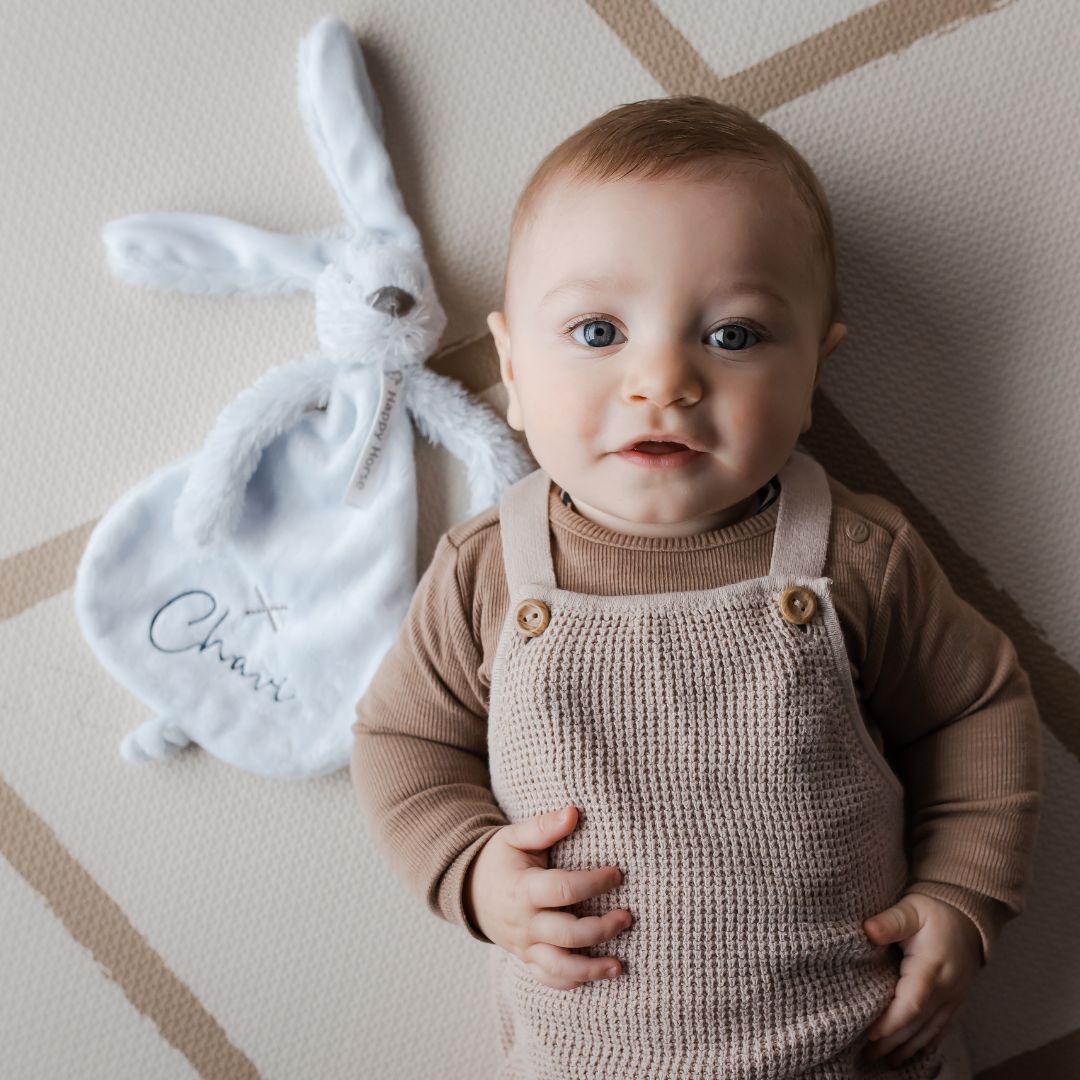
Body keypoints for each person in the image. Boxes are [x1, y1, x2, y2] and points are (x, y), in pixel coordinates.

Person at [350, 96, 1041, 1079]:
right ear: (510, 361)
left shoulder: (857, 555)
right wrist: (469, 871)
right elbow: (402, 743)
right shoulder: (488, 572)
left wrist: (964, 898)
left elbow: (975, 712)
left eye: (732, 337)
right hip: (584, 1048)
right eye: (597, 331)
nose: (663, 380)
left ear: (814, 370)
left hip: (856, 1041)